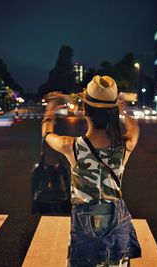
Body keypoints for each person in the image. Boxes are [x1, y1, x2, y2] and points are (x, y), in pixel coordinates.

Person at [41, 75, 141, 267]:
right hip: (116, 227)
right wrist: (122, 109)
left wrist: (50, 110)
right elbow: (134, 129)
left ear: (85, 111)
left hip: (84, 230)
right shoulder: (123, 148)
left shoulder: (71, 146)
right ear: (112, 113)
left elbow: (46, 133)